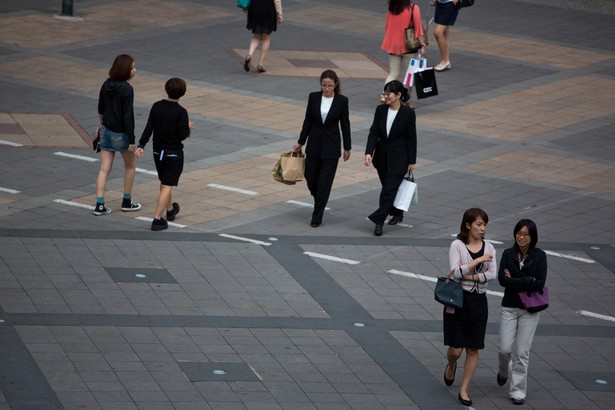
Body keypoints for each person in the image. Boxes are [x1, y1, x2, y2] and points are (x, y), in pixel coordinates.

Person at [443, 207, 497, 407]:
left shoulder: (490, 247)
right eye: (479, 224)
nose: (482, 229)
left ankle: (464, 389)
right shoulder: (457, 245)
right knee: (456, 350)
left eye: (484, 224)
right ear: (468, 225)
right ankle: (451, 364)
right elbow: (455, 272)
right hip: (458, 300)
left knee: (473, 348)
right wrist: (478, 261)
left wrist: (471, 276)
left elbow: (492, 275)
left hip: (478, 302)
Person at [496, 219, 547, 406]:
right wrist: (527, 280)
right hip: (509, 307)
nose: (521, 237)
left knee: (522, 352)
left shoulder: (540, 256)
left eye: (526, 234)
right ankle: (503, 371)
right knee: (505, 349)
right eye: (519, 233)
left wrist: (516, 278)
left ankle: (517, 390)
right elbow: (502, 280)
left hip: (530, 310)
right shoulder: (508, 254)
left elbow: (540, 283)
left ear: (532, 237)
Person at [291, 70, 351, 227]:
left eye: (330, 85)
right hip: (314, 145)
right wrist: (301, 142)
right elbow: (308, 120)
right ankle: (320, 200)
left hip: (331, 147)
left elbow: (345, 125)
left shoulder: (342, 101)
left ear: (335, 85)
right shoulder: (314, 97)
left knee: (325, 183)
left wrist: (347, 147)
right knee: (310, 178)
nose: (327, 88)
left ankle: (317, 216)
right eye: (324, 85)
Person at [136, 78, 193, 231]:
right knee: (167, 185)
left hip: (157, 152)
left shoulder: (157, 106)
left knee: (165, 182)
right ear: (183, 92)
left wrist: (141, 144)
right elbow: (182, 135)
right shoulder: (181, 112)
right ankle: (157, 218)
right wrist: (188, 128)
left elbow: (149, 127)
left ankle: (170, 210)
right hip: (173, 154)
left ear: (166, 89)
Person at [364, 80, 416, 236]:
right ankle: (397, 212)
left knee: (387, 192)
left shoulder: (408, 113)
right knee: (388, 190)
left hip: (399, 159)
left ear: (398, 95)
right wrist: (368, 153)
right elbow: (374, 133)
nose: (385, 96)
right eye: (384, 93)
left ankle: (378, 222)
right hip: (381, 158)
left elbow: (411, 138)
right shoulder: (380, 110)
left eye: (388, 93)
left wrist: (411, 160)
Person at [94, 54, 141, 216]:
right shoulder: (127, 89)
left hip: (106, 131)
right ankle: (127, 201)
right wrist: (132, 139)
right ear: (124, 70)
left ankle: (100, 204)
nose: (135, 70)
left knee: (104, 169)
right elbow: (128, 116)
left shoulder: (106, 84)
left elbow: (101, 108)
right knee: (130, 166)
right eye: (132, 67)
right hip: (122, 134)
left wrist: (101, 126)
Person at [380, 0, 426, 103]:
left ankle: (385, 96)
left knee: (393, 73)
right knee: (409, 77)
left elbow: (387, 26)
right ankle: (404, 101)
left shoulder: (392, 7)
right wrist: (423, 45)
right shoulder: (414, 8)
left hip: (393, 45)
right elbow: (418, 30)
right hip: (409, 47)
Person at [243, 0, 283, 73]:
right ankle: (260, 64)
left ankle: (249, 55)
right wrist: (279, 13)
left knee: (256, 36)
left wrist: (245, 6)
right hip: (268, 7)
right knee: (266, 38)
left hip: (255, 7)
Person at [432, 0, 460, 71]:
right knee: (445, 33)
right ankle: (446, 61)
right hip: (440, 4)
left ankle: (444, 61)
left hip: (450, 5)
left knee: (437, 33)